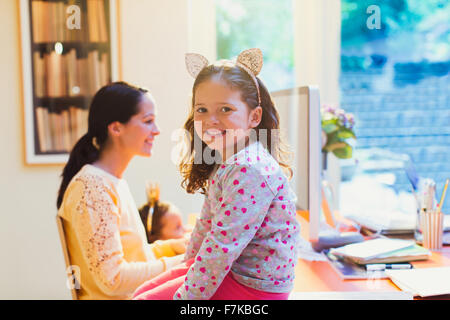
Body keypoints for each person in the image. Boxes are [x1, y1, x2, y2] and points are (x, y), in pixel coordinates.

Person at [133, 48, 301, 300]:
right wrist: (185, 269)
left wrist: (185, 300)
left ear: (254, 116)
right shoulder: (228, 161)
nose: (211, 120)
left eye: (225, 110)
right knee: (142, 293)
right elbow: (206, 226)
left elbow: (221, 249)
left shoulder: (249, 170)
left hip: (254, 288)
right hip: (235, 274)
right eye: (201, 110)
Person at [57, 82, 186, 300]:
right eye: (148, 121)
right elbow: (113, 279)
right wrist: (185, 261)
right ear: (116, 128)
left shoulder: (112, 182)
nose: (157, 130)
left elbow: (134, 257)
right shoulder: (92, 186)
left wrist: (175, 247)